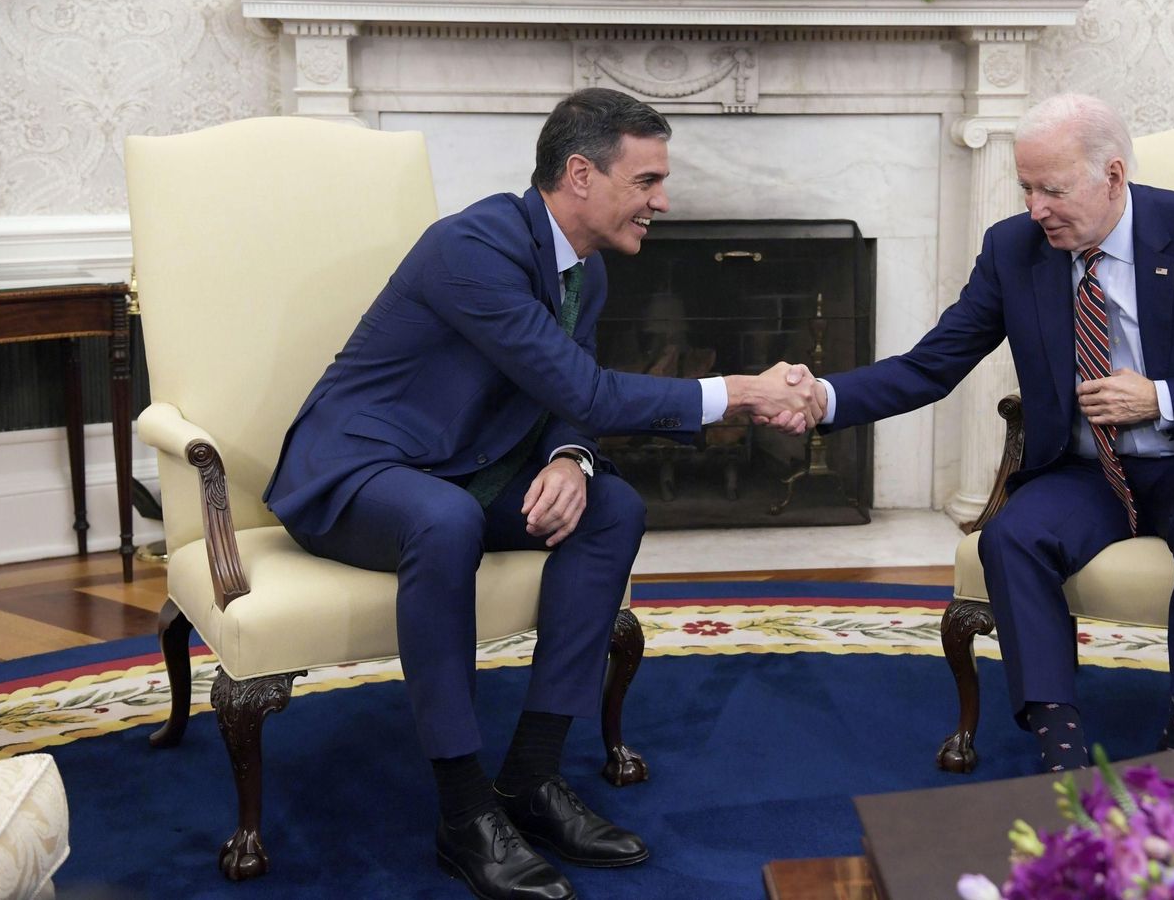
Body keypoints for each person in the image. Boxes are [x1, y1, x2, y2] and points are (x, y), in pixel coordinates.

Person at [264, 87, 825, 900]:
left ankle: (530, 775)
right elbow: (589, 387)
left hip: (463, 467)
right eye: (648, 181)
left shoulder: (583, 272)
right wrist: (738, 389)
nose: (663, 202)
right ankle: (463, 815)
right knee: (446, 520)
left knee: (614, 507)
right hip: (358, 473)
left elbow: (569, 399)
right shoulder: (472, 247)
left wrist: (569, 456)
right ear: (581, 174)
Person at [785, 93, 1174, 773]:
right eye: (1025, 188)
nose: (1036, 208)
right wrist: (824, 397)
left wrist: (1160, 397)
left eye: (1052, 189)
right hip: (1087, 470)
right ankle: (1061, 754)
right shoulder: (1015, 250)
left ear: (1112, 175)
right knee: (1011, 539)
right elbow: (933, 364)